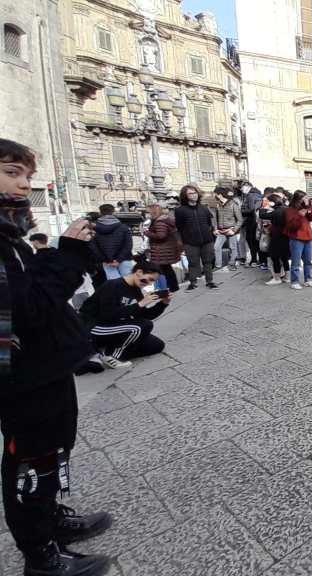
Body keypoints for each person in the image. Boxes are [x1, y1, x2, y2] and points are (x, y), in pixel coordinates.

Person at [0, 138, 114, 576]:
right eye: (12, 172)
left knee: (51, 451)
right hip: (22, 376)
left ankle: (49, 519)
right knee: (31, 459)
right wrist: (66, 257)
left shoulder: (10, 233)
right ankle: (40, 555)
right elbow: (24, 309)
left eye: (27, 175)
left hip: (42, 368)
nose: (25, 184)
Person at [79, 258, 169, 368]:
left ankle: (105, 350)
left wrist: (163, 304)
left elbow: (146, 315)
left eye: (152, 281)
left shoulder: (136, 290)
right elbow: (107, 315)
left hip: (115, 327)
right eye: (148, 279)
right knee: (141, 326)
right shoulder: (112, 285)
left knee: (157, 345)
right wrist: (140, 304)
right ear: (139, 272)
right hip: (94, 327)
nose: (148, 284)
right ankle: (112, 356)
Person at [174, 184, 218, 290]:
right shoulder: (180, 210)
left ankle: (210, 281)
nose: (194, 195)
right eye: (190, 193)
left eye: (195, 193)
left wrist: (211, 232)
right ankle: (192, 282)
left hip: (207, 240)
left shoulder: (204, 208)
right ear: (185, 196)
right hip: (190, 242)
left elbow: (209, 223)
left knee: (208, 261)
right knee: (193, 263)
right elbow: (178, 228)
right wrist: (181, 244)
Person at [142, 202, 182, 293]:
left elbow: (161, 235)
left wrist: (147, 233)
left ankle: (164, 288)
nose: (147, 214)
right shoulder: (164, 219)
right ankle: (172, 287)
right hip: (165, 250)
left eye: (148, 212)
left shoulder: (159, 221)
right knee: (166, 269)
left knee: (158, 270)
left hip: (161, 250)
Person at [284, 191, 312, 289]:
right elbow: (291, 226)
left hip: (308, 237)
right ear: (298, 199)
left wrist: (310, 208)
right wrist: (300, 215)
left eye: (307, 198)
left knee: (308, 261)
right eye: (305, 198)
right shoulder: (290, 210)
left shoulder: (306, 208)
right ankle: (294, 281)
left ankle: (308, 279)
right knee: (296, 261)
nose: (307, 200)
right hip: (296, 238)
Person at [90, 204, 133, 281]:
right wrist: (119, 259)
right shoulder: (123, 227)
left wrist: (105, 259)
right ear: (113, 212)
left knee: (114, 284)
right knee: (128, 282)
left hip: (106, 261)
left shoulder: (94, 228)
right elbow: (128, 245)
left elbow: (93, 246)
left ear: (100, 213)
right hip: (124, 258)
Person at [259, 192, 290, 285]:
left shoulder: (276, 211)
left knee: (275, 257)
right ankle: (287, 277)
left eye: (268, 201)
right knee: (284, 258)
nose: (266, 202)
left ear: (272, 202)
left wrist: (264, 207)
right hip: (286, 237)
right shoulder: (286, 209)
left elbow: (262, 215)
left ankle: (277, 278)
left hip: (277, 237)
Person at [211, 185, 242, 271]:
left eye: (215, 194)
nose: (214, 196)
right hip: (221, 231)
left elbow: (240, 220)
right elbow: (216, 219)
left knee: (233, 248)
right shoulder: (218, 205)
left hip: (231, 230)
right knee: (216, 247)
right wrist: (215, 229)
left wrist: (234, 230)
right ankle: (218, 265)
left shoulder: (233, 205)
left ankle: (231, 264)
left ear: (219, 195)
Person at [239, 182, 262, 267]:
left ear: (247, 186)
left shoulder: (250, 195)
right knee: (256, 241)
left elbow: (251, 209)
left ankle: (254, 260)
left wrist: (240, 211)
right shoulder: (258, 194)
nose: (241, 190)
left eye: (242, 188)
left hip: (251, 221)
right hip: (257, 221)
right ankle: (260, 260)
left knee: (251, 240)